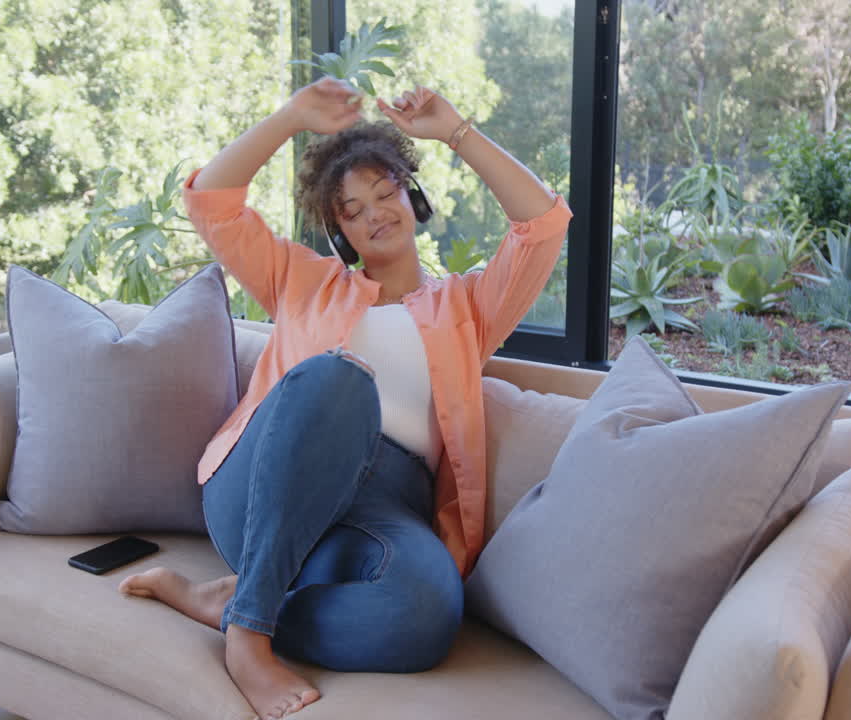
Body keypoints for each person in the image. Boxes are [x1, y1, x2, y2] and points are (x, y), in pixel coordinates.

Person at [119, 76, 572, 720]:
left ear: (412, 196)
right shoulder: (303, 280)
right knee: (339, 379)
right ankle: (249, 638)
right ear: (339, 233)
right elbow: (212, 201)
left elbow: (542, 225)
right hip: (265, 485)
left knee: (427, 614)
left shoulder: (467, 305)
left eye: (384, 193)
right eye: (352, 210)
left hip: (380, 506)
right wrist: (289, 118)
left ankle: (232, 599)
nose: (374, 213)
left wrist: (455, 131)